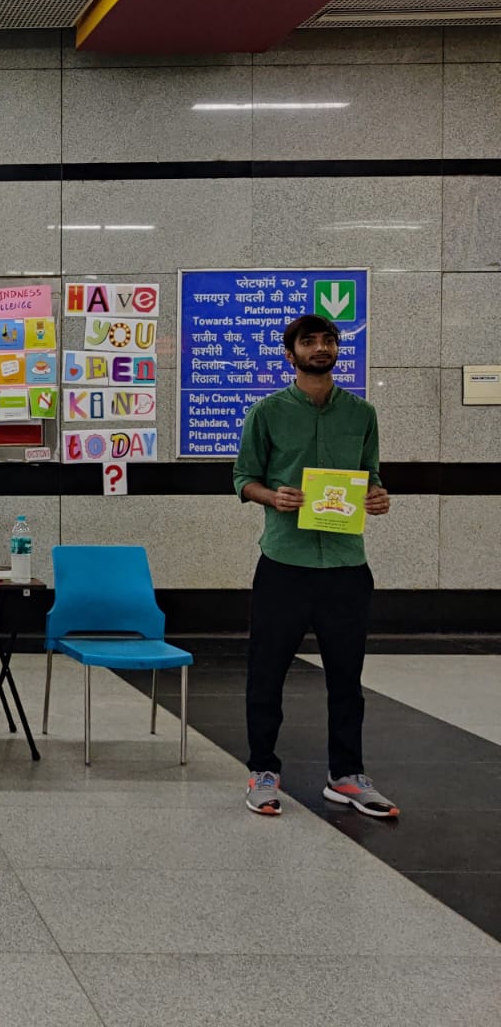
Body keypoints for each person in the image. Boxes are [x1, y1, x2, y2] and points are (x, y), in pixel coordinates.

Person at [233, 314, 395, 818]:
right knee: (267, 673)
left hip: (346, 566)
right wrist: (271, 496)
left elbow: (371, 476)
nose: (320, 347)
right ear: (291, 354)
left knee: (347, 678)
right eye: (309, 342)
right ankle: (263, 771)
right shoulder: (266, 412)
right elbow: (243, 478)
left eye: (328, 340)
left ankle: (346, 775)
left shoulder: (362, 414)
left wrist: (377, 497)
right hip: (285, 563)